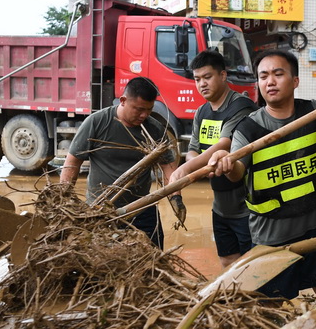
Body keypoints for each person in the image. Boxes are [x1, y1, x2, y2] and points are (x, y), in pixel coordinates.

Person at [210, 49, 316, 329]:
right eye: (263, 76)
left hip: (313, 225)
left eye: (278, 74)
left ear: (295, 81)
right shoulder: (249, 127)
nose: (270, 81)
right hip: (269, 235)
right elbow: (238, 171)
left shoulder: (312, 112)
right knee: (268, 304)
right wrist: (226, 164)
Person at [59, 77, 176, 249]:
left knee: (153, 260)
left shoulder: (154, 129)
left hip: (141, 208)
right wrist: (64, 201)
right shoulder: (97, 122)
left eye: (149, 110)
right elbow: (73, 163)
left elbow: (169, 167)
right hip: (100, 210)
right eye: (139, 109)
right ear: (123, 101)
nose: (144, 115)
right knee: (103, 264)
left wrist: (176, 198)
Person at [170, 50, 257, 267]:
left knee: (253, 264)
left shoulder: (241, 106)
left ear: (223, 75)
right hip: (221, 204)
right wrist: (194, 163)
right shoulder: (201, 111)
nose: (202, 84)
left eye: (207, 77)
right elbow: (193, 149)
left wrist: (182, 170)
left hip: (247, 203)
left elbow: (223, 144)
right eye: (197, 79)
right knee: (227, 260)